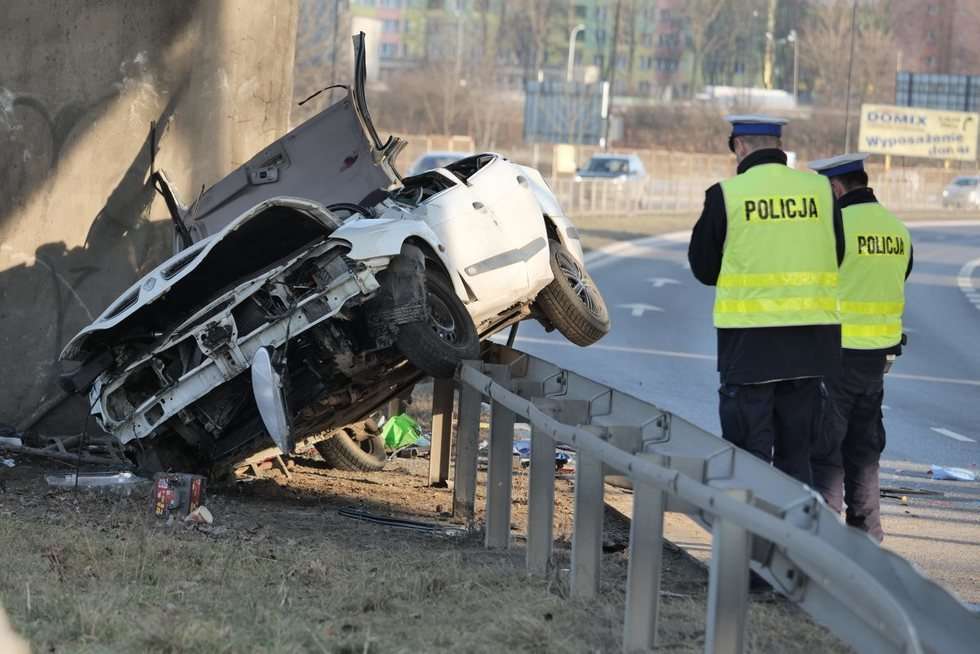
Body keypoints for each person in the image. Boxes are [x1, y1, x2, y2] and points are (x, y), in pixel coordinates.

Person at [688, 115, 844, 485]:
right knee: (796, 457)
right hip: (811, 344)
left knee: (748, 456)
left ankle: (751, 540)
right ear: (778, 147)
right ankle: (793, 540)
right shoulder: (820, 191)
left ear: (740, 148)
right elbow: (836, 254)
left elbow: (705, 269)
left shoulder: (726, 195)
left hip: (750, 345)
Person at [807, 153, 912, 542]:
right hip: (877, 362)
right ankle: (867, 540)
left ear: (836, 187)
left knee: (826, 455)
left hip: (836, 356)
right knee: (864, 454)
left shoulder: (835, 228)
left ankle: (820, 542)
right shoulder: (897, 229)